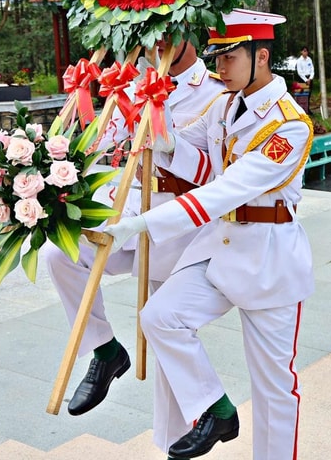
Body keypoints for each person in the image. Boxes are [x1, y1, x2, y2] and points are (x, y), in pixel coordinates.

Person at [103, 9, 314, 459]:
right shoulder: (222, 105)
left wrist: (144, 223)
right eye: (216, 56)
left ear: (261, 56)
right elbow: (185, 144)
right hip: (219, 247)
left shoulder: (289, 124)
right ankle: (215, 408)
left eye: (230, 57)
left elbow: (224, 190)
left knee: (274, 387)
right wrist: (155, 126)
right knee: (159, 316)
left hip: (268, 257)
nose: (219, 67)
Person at [43, 37, 225, 416]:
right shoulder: (129, 84)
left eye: (162, 35)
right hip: (123, 211)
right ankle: (105, 350)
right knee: (59, 252)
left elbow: (218, 176)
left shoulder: (214, 92)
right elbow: (102, 148)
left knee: (166, 335)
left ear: (185, 33)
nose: (153, 46)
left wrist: (172, 146)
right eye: (145, 39)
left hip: (174, 223)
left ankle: (194, 422)